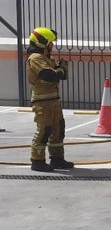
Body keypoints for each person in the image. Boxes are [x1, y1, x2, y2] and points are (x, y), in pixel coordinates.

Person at [26, 27, 74, 172]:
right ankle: (37, 161)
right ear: (42, 43)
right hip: (42, 102)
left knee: (58, 130)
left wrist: (60, 71)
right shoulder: (35, 58)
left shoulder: (46, 59)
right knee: (44, 130)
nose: (51, 46)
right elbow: (49, 75)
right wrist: (60, 70)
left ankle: (57, 159)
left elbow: (60, 75)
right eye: (50, 43)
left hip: (53, 100)